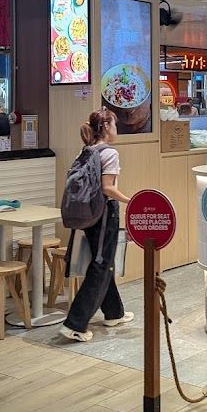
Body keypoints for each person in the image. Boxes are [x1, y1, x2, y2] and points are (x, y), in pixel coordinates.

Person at [61, 109, 134, 342]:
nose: (116, 130)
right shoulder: (110, 153)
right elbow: (107, 188)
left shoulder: (87, 150)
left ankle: (114, 313)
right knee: (101, 264)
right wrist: (131, 200)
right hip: (105, 213)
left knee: (104, 261)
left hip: (89, 213)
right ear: (107, 127)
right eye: (114, 125)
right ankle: (75, 324)